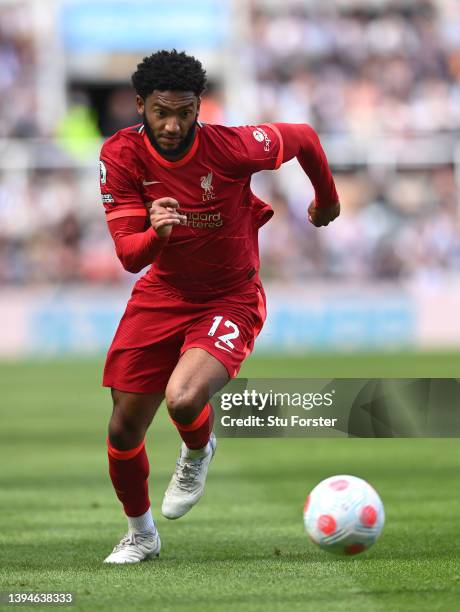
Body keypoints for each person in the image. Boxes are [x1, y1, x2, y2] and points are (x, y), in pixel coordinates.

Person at [99, 49, 340, 564]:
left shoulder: (229, 146)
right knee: (123, 428)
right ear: (140, 105)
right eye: (161, 111)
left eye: (185, 111)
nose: (173, 124)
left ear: (198, 107)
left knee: (184, 398)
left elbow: (302, 137)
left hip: (230, 297)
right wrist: (157, 236)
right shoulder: (119, 157)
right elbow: (127, 255)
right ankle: (141, 534)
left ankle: (197, 448)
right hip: (162, 295)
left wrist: (327, 197)